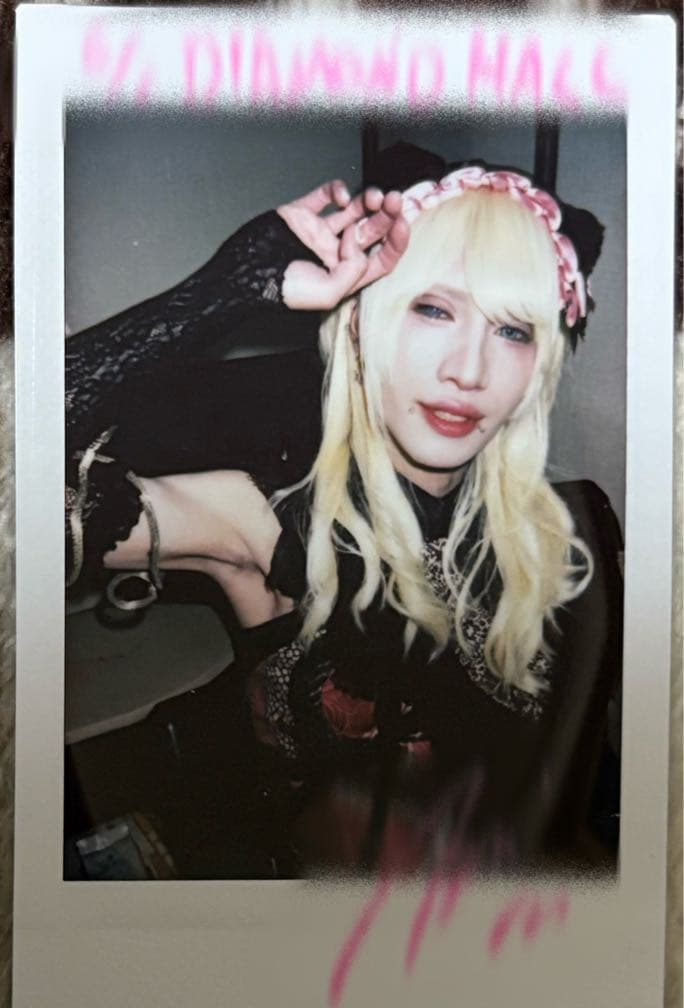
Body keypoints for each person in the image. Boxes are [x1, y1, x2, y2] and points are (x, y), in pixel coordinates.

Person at [65, 160, 623, 876]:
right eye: (433, 310)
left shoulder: (566, 538)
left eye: (513, 330)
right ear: (361, 324)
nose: (469, 369)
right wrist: (223, 292)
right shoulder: (265, 520)